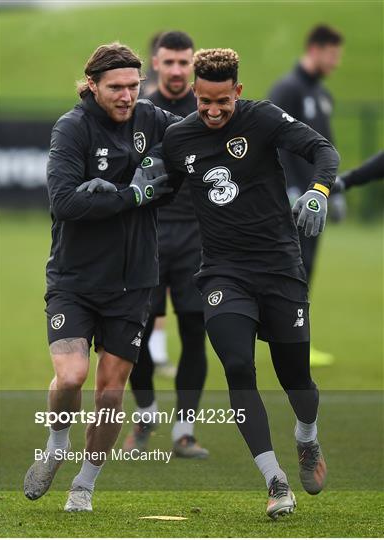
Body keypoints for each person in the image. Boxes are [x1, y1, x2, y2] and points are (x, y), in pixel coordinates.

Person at [162, 48, 339, 519]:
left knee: (295, 378)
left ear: (237, 91)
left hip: (280, 266)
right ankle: (275, 480)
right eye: (204, 102)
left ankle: (307, 438)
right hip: (223, 272)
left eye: (222, 101)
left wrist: (319, 193)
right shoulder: (180, 138)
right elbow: (162, 189)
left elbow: (323, 150)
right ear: (195, 95)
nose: (213, 111)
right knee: (238, 366)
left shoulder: (262, 119)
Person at [23, 42, 180, 512]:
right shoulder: (72, 129)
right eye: (116, 87)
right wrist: (130, 195)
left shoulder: (152, 120)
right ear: (92, 85)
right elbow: (64, 203)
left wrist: (167, 171)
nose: (128, 95)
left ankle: (84, 485)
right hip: (75, 278)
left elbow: (197, 139)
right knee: (70, 376)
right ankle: (55, 445)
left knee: (110, 390)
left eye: (134, 86)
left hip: (134, 281)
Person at [124, 31, 209, 458]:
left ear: (192, 64)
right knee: (136, 334)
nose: (177, 70)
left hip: (198, 240)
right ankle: (146, 415)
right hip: (150, 237)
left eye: (184, 62)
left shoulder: (208, 108)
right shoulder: (140, 112)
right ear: (155, 64)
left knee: (196, 333)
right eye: (169, 62)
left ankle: (184, 431)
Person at [269, 24, 345, 366]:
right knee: (293, 270)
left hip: (317, 197)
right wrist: (289, 188)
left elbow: (326, 147)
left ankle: (297, 340)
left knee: (306, 267)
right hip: (295, 200)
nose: (337, 62)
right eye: (333, 54)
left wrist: (332, 188)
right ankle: (291, 341)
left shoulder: (322, 95)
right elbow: (274, 143)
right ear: (315, 49)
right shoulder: (288, 89)